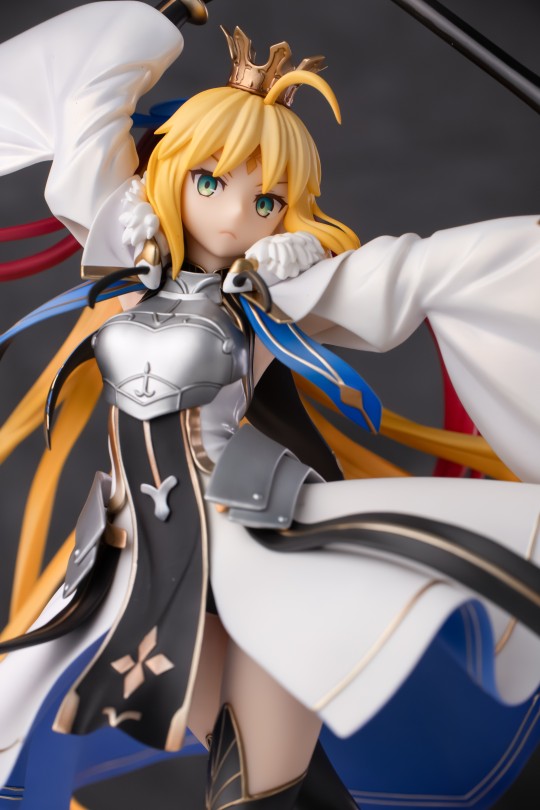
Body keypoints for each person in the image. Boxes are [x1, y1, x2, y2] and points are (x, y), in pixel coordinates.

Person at [0, 2, 538, 809]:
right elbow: (89, 112)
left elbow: (419, 275)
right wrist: (153, 20)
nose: (233, 214)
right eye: (211, 181)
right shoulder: (129, 248)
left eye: (266, 201)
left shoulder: (272, 287)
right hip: (136, 552)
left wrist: (311, 256)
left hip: (252, 538)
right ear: (172, 173)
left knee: (256, 786)